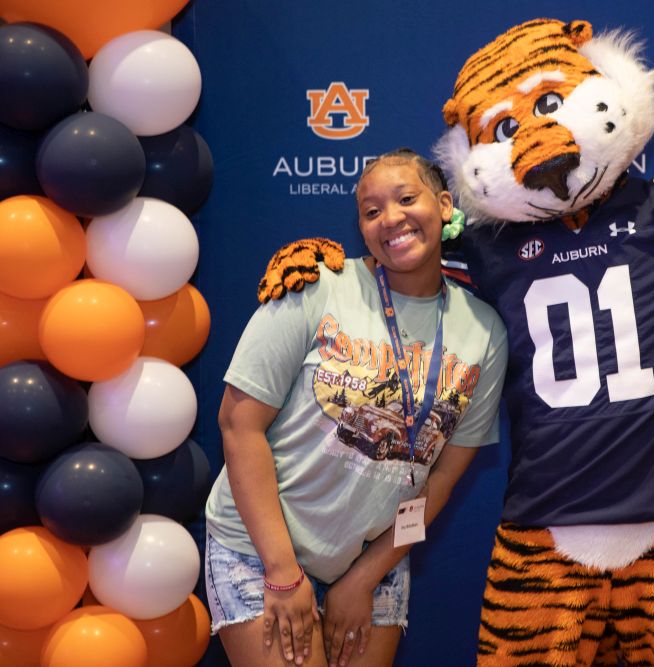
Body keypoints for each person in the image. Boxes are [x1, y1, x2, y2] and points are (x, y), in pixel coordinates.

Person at [204, 148, 508, 667]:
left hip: (375, 556)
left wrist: (365, 577)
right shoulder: (315, 287)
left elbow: (440, 480)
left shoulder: (484, 331)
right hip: (259, 549)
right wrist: (282, 571)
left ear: (443, 205)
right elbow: (238, 425)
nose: (390, 218)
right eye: (371, 211)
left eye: (406, 199)